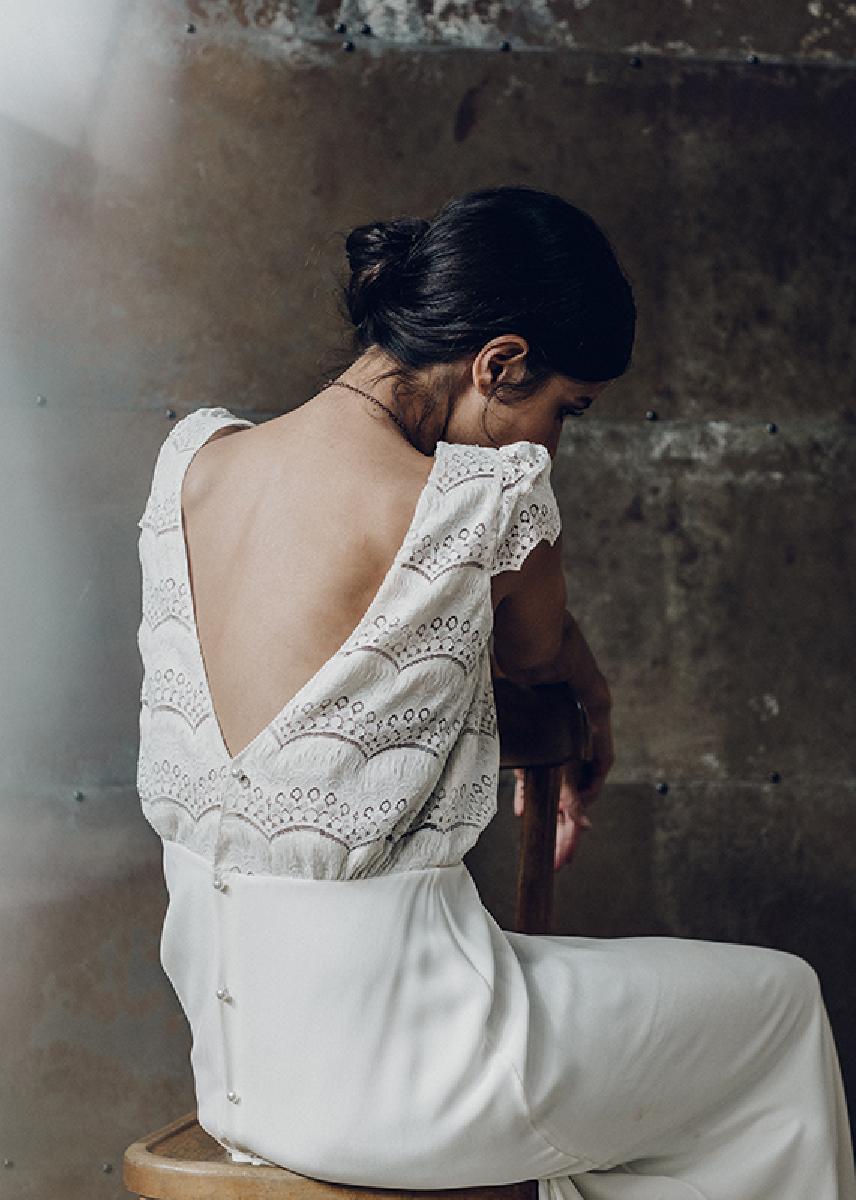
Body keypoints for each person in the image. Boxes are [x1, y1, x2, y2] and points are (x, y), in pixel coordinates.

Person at [136, 185, 855, 1198]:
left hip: (237, 1077)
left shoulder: (196, 465)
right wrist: (596, 706)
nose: (551, 443)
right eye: (567, 409)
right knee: (779, 1004)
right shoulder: (484, 501)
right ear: (499, 363)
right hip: (405, 1077)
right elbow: (537, 654)